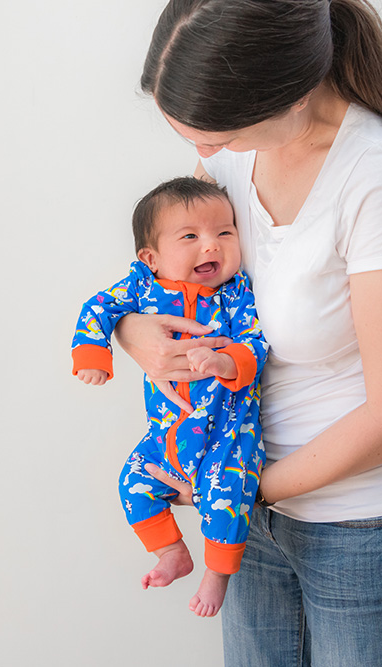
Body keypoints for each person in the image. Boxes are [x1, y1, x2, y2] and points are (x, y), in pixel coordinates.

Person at [113, 0, 382, 664]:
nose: (202, 154)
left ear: (283, 93)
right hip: (251, 516)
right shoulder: (230, 162)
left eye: (213, 135)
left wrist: (243, 484)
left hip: (364, 523)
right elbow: (168, 279)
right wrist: (136, 334)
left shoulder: (379, 174)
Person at [71, 177, 269, 617]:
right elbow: (98, 309)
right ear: (151, 257)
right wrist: (93, 355)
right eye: (191, 237)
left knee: (230, 494)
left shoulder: (235, 294)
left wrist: (226, 362)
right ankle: (171, 552)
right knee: (132, 484)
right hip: (165, 438)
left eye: (225, 233)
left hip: (228, 437)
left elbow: (256, 341)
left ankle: (217, 576)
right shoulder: (142, 288)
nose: (212, 247)